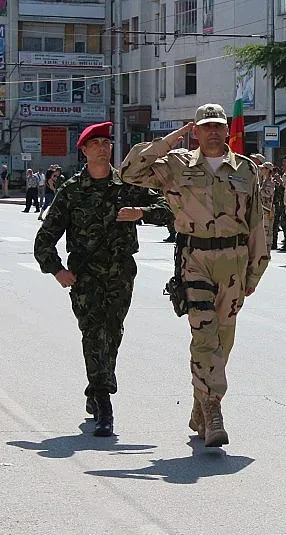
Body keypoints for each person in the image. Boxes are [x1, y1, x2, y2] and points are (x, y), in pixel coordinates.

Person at [120, 103, 270, 446]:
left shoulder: (245, 169)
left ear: (226, 129)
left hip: (234, 261)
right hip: (195, 259)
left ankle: (199, 404)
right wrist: (170, 140)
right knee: (205, 336)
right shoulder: (176, 165)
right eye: (206, 126)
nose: (213, 131)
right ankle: (213, 407)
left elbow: (256, 222)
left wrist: (256, 270)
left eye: (218, 126)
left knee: (223, 340)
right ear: (196, 131)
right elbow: (129, 171)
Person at [33, 121, 171, 436]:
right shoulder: (71, 191)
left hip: (121, 271)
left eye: (106, 143)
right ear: (83, 150)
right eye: (95, 144)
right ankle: (102, 398)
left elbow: (168, 208)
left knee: (113, 331)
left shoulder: (128, 184)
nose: (102, 148)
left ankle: (97, 386)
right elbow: (44, 240)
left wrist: (141, 213)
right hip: (86, 274)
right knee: (93, 331)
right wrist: (57, 270)